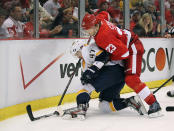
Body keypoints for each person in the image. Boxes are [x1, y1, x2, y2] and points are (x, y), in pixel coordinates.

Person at [81, 12, 162, 117]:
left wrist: (107, 57)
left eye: (88, 28)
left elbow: (124, 53)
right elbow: (105, 14)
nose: (86, 31)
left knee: (131, 78)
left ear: (96, 25)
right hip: (127, 42)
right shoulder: (99, 19)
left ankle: (154, 104)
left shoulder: (103, 37)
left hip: (133, 47)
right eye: (85, 29)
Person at [61, 39, 147, 119]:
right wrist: (85, 97)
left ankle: (81, 108)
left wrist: (91, 72)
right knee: (104, 106)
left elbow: (103, 56)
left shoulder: (88, 49)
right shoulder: (85, 61)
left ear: (80, 49)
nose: (78, 57)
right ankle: (130, 102)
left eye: (76, 54)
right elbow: (90, 79)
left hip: (112, 71)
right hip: (118, 76)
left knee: (83, 87)